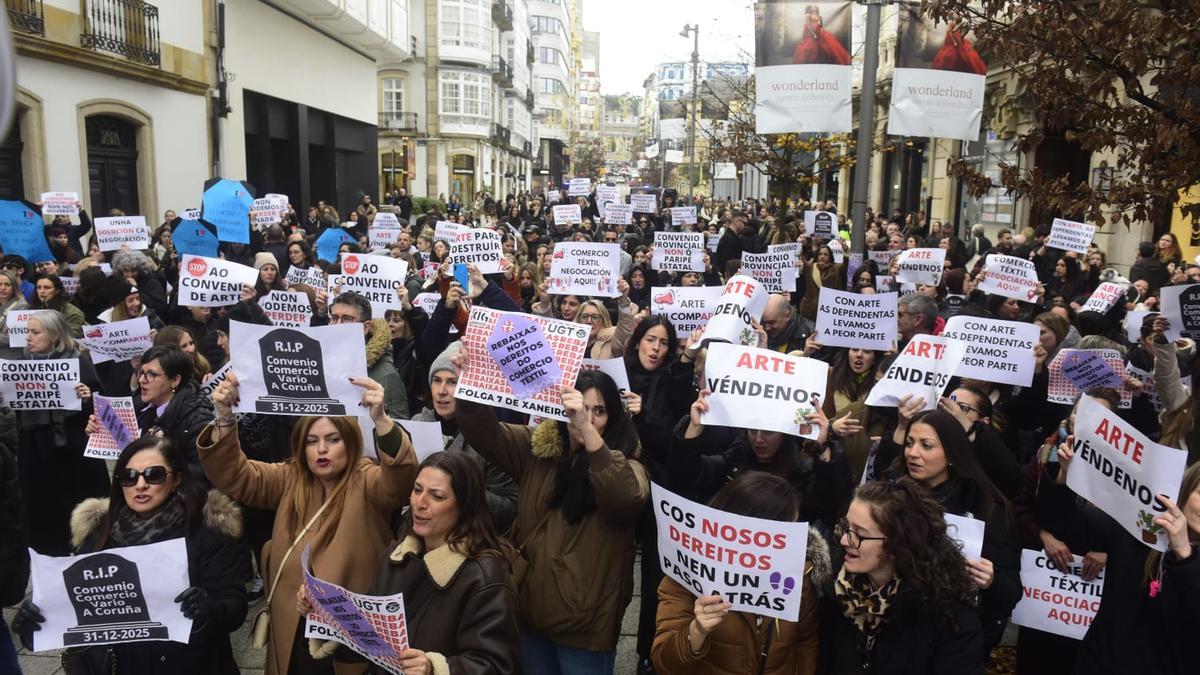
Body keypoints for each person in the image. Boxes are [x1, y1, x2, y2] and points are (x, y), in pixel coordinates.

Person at [199, 372, 417, 675]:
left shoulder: (367, 479)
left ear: (351, 442)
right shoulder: (291, 477)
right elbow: (237, 476)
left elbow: (400, 482)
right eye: (312, 441)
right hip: (294, 627)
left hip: (350, 635)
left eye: (332, 439)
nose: (322, 449)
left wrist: (381, 421)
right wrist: (224, 417)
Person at [456, 367, 648, 673]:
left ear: (614, 417)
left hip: (584, 633)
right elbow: (487, 435)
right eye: (581, 408)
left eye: (599, 411)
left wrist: (586, 430)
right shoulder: (539, 450)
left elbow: (626, 497)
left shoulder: (627, 463)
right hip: (530, 615)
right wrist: (471, 383)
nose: (588, 417)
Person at [11, 437, 249, 674]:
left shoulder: (206, 530)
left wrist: (209, 610)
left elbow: (234, 605)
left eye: (153, 475)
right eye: (129, 476)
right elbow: (72, 609)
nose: (140, 485)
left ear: (176, 479)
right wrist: (35, 623)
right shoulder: (98, 533)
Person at [305, 451, 520, 673]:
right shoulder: (398, 555)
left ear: (464, 506)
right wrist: (324, 617)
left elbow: (496, 666)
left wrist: (434, 668)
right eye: (417, 490)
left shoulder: (486, 578)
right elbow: (369, 639)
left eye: (437, 496)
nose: (420, 502)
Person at [1038, 414, 1200, 675]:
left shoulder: (1185, 557)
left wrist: (1184, 555)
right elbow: (1061, 523)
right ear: (1185, 492)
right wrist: (1065, 479)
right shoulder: (1141, 528)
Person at [877, 404, 1022, 656]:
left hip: (953, 639)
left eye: (926, 445)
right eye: (909, 443)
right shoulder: (891, 497)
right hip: (892, 628)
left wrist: (992, 580)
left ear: (952, 453)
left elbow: (1011, 591)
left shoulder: (985, 507)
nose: (913, 452)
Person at [652, 472, 830, 674]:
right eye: (783, 532)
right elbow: (663, 663)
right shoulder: (688, 575)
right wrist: (696, 632)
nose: (789, 543)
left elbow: (805, 643)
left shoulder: (799, 574)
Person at [818, 478, 985, 673]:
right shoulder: (837, 591)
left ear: (898, 543)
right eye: (846, 527)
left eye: (860, 534)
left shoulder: (948, 613)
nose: (845, 539)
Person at [16, 310, 107, 555]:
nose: (28, 338)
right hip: (36, 449)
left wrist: (88, 397)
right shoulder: (22, 364)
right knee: (42, 511)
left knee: (75, 510)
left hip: (74, 451)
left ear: (55, 335)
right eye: (28, 332)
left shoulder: (78, 361)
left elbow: (102, 411)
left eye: (35, 332)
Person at [410, 344, 518, 533]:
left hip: (465, 539)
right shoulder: (417, 424)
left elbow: (508, 510)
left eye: (452, 382)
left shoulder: (490, 438)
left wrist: (462, 488)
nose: (441, 391)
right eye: (436, 380)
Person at [88, 344, 216, 483]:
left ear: (174, 380)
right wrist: (101, 434)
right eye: (141, 373)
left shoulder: (197, 419)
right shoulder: (137, 408)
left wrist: (158, 469)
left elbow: (205, 475)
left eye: (151, 374)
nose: (142, 380)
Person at [329, 291, 410, 419]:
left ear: (365, 327)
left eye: (347, 318)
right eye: (334, 318)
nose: (338, 324)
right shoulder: (324, 362)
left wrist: (380, 417)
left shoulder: (386, 376)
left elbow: (399, 429)